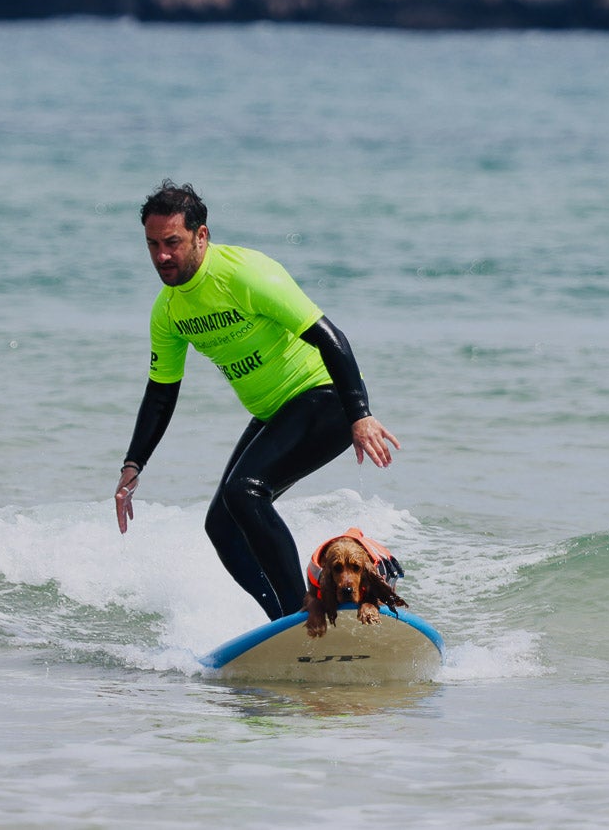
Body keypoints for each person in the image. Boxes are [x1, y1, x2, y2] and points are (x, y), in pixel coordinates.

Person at [113, 179, 399, 621]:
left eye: (172, 242)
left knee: (244, 491)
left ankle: (304, 612)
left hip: (325, 399)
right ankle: (285, 622)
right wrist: (133, 465)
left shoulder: (245, 274)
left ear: (201, 235)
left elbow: (330, 336)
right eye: (152, 245)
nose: (162, 256)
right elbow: (161, 391)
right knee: (221, 524)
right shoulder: (168, 311)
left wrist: (360, 415)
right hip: (275, 412)